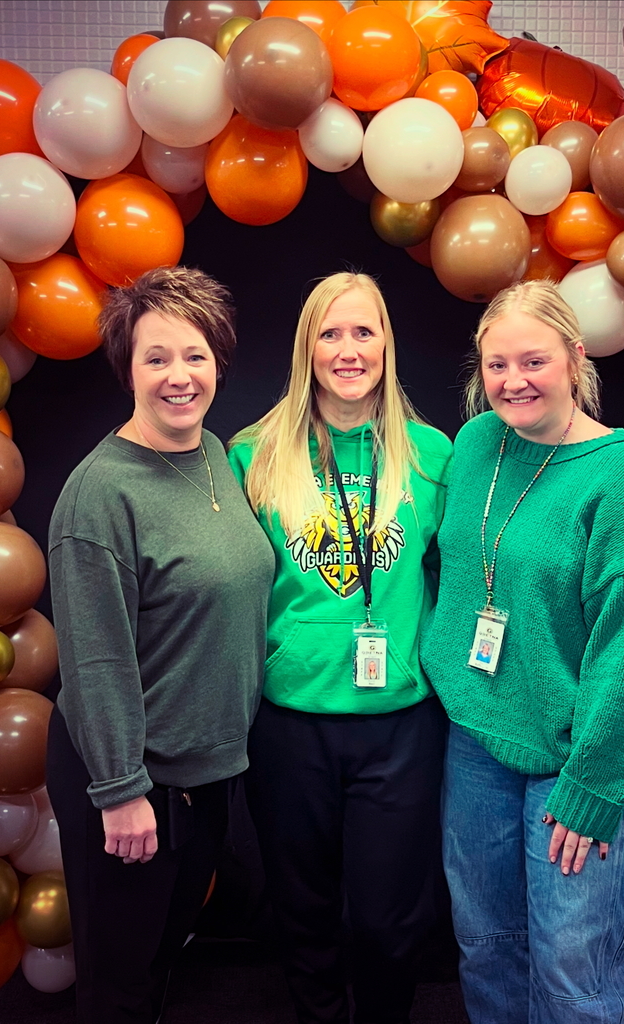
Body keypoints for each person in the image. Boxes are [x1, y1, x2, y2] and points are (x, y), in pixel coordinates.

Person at [421, 280, 624, 1024]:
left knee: (575, 969)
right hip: (477, 743)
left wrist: (598, 782)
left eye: (533, 361)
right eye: (497, 365)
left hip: (577, 760)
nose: (514, 382)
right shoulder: (478, 443)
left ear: (575, 357)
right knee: (486, 943)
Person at [46, 266, 275, 1024]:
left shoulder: (211, 452)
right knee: (120, 983)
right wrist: (120, 789)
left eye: (196, 355)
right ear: (128, 368)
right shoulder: (100, 494)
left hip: (203, 776)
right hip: (133, 782)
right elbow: (95, 658)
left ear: (219, 362)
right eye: (157, 358)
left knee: (163, 954)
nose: (179, 376)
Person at [228, 272, 452, 1024]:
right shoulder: (252, 455)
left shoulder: (430, 455)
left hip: (401, 726)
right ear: (307, 348)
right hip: (290, 722)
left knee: (391, 923)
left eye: (364, 332)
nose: (348, 350)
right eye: (331, 333)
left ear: (387, 344)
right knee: (304, 912)